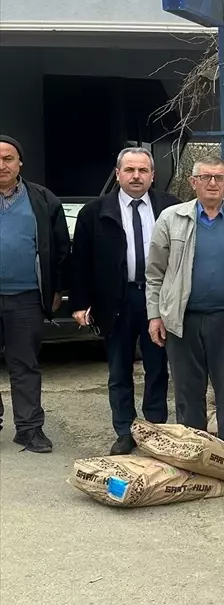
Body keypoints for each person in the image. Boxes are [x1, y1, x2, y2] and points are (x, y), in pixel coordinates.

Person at [145, 156, 224, 452]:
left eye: (219, 177)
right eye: (206, 177)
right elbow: (154, 274)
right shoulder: (171, 218)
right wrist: (154, 316)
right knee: (188, 393)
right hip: (182, 319)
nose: (213, 183)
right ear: (193, 182)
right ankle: (193, 453)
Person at [70, 147, 180, 455]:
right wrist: (80, 302)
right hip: (115, 299)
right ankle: (125, 430)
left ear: (153, 175)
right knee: (119, 370)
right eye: (129, 170)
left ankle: (155, 428)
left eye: (142, 171)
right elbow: (80, 261)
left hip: (156, 299)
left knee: (157, 367)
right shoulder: (94, 212)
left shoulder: (170, 208)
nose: (136, 176)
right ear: (118, 174)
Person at [0, 134, 69, 453]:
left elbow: (60, 249)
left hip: (26, 297)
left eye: (8, 158)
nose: (2, 165)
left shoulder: (42, 199)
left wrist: (56, 289)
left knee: (24, 363)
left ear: (20, 163)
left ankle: (29, 429)